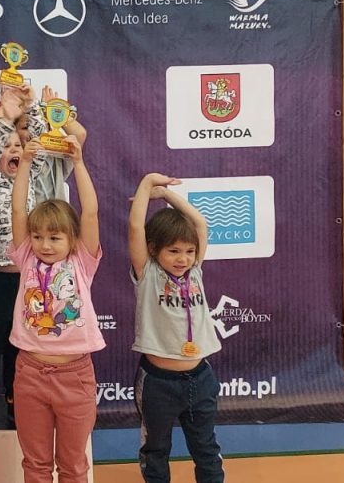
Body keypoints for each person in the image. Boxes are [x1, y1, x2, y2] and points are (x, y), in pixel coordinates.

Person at [9, 135, 103, 483]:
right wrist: (25, 164)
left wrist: (78, 162)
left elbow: (90, 212)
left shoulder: (81, 261)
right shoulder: (26, 258)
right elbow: (18, 211)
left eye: (55, 238)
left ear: (72, 239)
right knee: (35, 465)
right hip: (30, 373)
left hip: (75, 376)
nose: (44, 245)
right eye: (38, 237)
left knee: (73, 466)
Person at [128, 173, 224, 483]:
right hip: (158, 383)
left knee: (206, 449)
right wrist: (147, 185)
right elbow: (135, 228)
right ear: (154, 249)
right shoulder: (147, 273)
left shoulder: (195, 271)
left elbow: (200, 224)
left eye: (189, 251)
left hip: (200, 378)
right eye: (173, 251)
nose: (183, 259)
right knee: (156, 450)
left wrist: (167, 195)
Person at [0, 84, 51, 428]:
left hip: (28, 279)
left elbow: (37, 141)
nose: (12, 150)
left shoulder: (30, 174)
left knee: (20, 348)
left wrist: (31, 107)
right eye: (6, 147)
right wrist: (6, 117)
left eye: (17, 145)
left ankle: (18, 411)